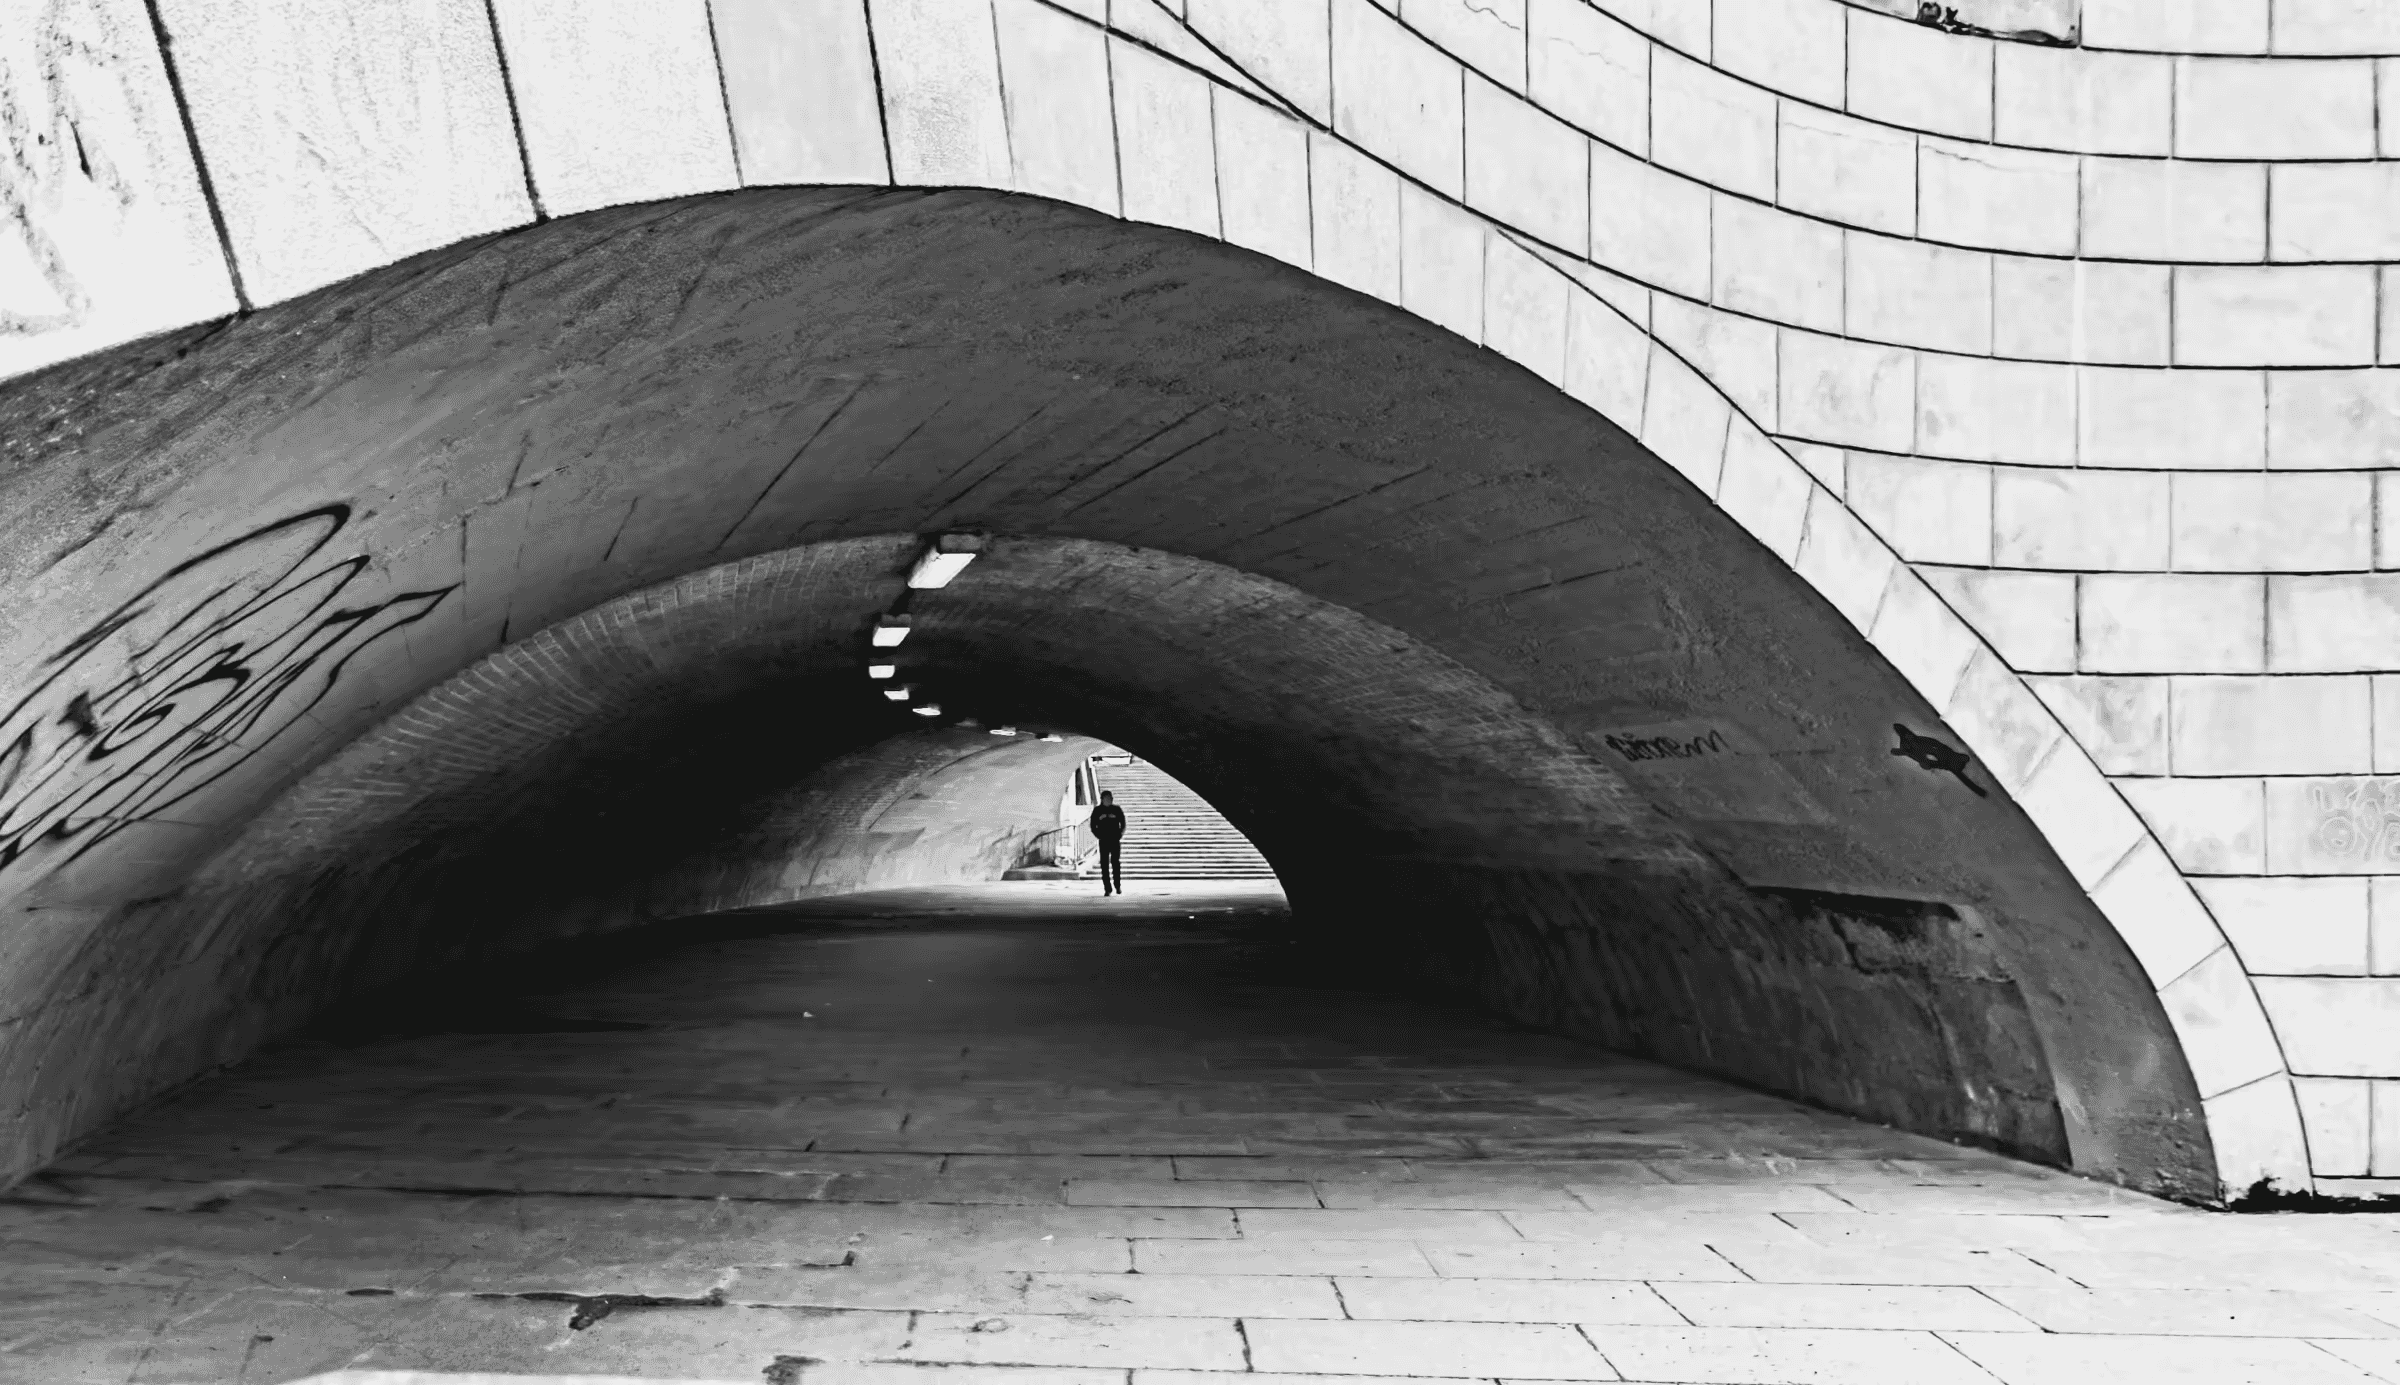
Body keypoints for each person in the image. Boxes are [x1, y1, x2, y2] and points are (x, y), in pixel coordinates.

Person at [1089, 789, 1126, 895]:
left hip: (1115, 840)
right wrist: (1098, 835)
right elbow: (1092, 826)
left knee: (1116, 863)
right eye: (1106, 799)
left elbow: (1123, 823)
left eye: (1110, 799)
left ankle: (1117, 886)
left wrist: (1120, 834)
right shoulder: (1097, 810)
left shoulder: (1117, 809)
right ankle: (1107, 888)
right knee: (1104, 865)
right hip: (1104, 840)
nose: (1108, 800)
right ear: (1102, 799)